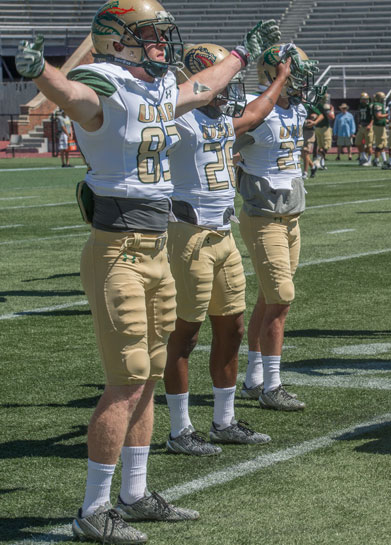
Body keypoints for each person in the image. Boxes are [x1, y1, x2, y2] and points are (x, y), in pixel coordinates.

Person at [14, 1, 279, 541]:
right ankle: (93, 511)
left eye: (163, 35)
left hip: (157, 248)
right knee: (125, 381)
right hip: (118, 252)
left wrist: (241, 55)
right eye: (150, 36)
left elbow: (203, 88)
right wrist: (42, 72)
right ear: (115, 41)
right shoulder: (105, 82)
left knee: (149, 378)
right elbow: (79, 99)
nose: (162, 45)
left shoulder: (155, 87)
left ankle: (133, 495)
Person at [162, 43, 287, 457]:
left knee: (232, 328)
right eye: (224, 80)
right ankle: (180, 430)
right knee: (185, 333)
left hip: (223, 235)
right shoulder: (179, 119)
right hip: (188, 234)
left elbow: (256, 113)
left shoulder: (219, 119)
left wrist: (280, 80)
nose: (231, 89)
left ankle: (224, 421)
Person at [236, 44, 322, 412]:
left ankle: (254, 377)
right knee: (281, 299)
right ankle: (273, 384)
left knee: (268, 298)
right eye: (295, 75)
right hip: (263, 216)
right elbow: (222, 143)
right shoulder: (256, 111)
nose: (303, 83)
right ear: (275, 75)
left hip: (291, 217)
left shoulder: (297, 108)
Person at [308, 93, 335, 174]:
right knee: (326, 147)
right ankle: (317, 160)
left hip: (317, 128)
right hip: (324, 128)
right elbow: (331, 117)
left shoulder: (316, 105)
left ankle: (321, 163)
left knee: (321, 146)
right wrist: (332, 110)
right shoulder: (325, 106)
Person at [371, 91, 389, 167]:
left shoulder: (380, 105)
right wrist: (389, 114)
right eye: (382, 98)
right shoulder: (377, 105)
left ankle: (384, 160)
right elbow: (378, 116)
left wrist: (387, 121)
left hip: (381, 126)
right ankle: (376, 160)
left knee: (383, 144)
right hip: (378, 127)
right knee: (379, 144)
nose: (383, 99)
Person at [356, 91, 374, 165]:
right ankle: (363, 156)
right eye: (362, 99)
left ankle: (369, 160)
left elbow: (373, 117)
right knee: (357, 142)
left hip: (368, 126)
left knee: (369, 145)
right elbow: (359, 116)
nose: (363, 100)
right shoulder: (360, 106)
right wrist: (359, 123)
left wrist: (370, 125)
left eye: (364, 99)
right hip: (362, 126)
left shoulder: (370, 106)